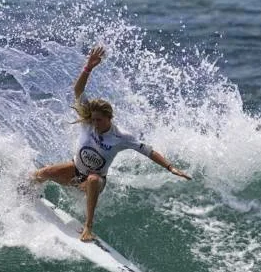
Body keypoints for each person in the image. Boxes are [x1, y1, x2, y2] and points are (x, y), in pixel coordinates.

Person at [32, 46, 191, 242]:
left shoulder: (121, 137)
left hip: (95, 182)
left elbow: (149, 152)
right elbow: (78, 90)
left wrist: (171, 167)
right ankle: (23, 193)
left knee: (92, 179)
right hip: (75, 170)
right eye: (93, 119)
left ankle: (88, 228)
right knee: (42, 173)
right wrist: (88, 67)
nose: (94, 123)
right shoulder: (88, 122)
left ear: (109, 118)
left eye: (99, 120)